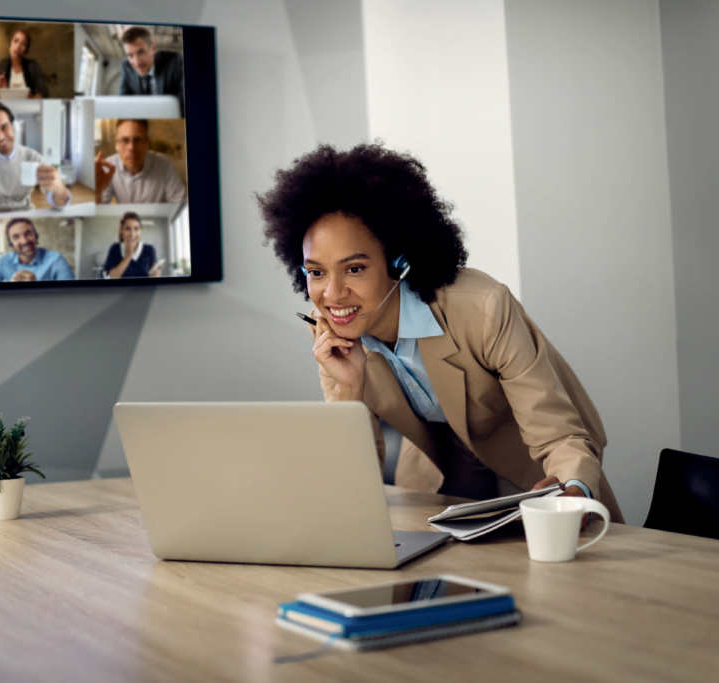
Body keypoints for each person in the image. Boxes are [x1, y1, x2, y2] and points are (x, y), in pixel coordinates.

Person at [257, 142, 624, 523]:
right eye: (316, 272)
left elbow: (558, 436)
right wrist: (350, 389)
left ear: (399, 262)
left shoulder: (483, 308)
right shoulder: (332, 333)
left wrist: (574, 488)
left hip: (528, 463)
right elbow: (350, 480)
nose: (332, 295)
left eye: (354, 269)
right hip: (439, 469)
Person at [94, 119, 186, 205]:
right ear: (116, 145)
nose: (132, 148)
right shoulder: (109, 166)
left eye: (138, 140)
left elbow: (180, 204)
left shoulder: (165, 165)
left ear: (147, 143)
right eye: (125, 140)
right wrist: (96, 193)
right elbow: (99, 210)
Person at [117, 26, 184, 115]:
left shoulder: (177, 61)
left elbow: (188, 101)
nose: (137, 62)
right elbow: (122, 103)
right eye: (130, 55)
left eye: (141, 52)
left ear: (153, 48)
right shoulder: (127, 67)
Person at [0, 218, 74, 282]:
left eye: (28, 233)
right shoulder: (2, 261)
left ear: (36, 237)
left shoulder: (56, 259)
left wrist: (36, 287)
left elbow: (70, 295)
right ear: (11, 244)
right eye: (16, 237)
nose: (24, 241)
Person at [102, 212, 163, 278]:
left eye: (136, 229)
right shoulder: (115, 249)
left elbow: (152, 282)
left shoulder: (150, 250)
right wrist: (128, 257)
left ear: (141, 230)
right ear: (122, 230)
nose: (132, 234)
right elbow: (109, 278)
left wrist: (156, 276)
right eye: (128, 229)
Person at [0, 29, 49, 99]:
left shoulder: (33, 65)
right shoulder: (2, 63)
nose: (18, 47)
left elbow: (44, 92)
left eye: (23, 44)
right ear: (10, 43)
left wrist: (33, 98)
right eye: (15, 41)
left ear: (26, 49)